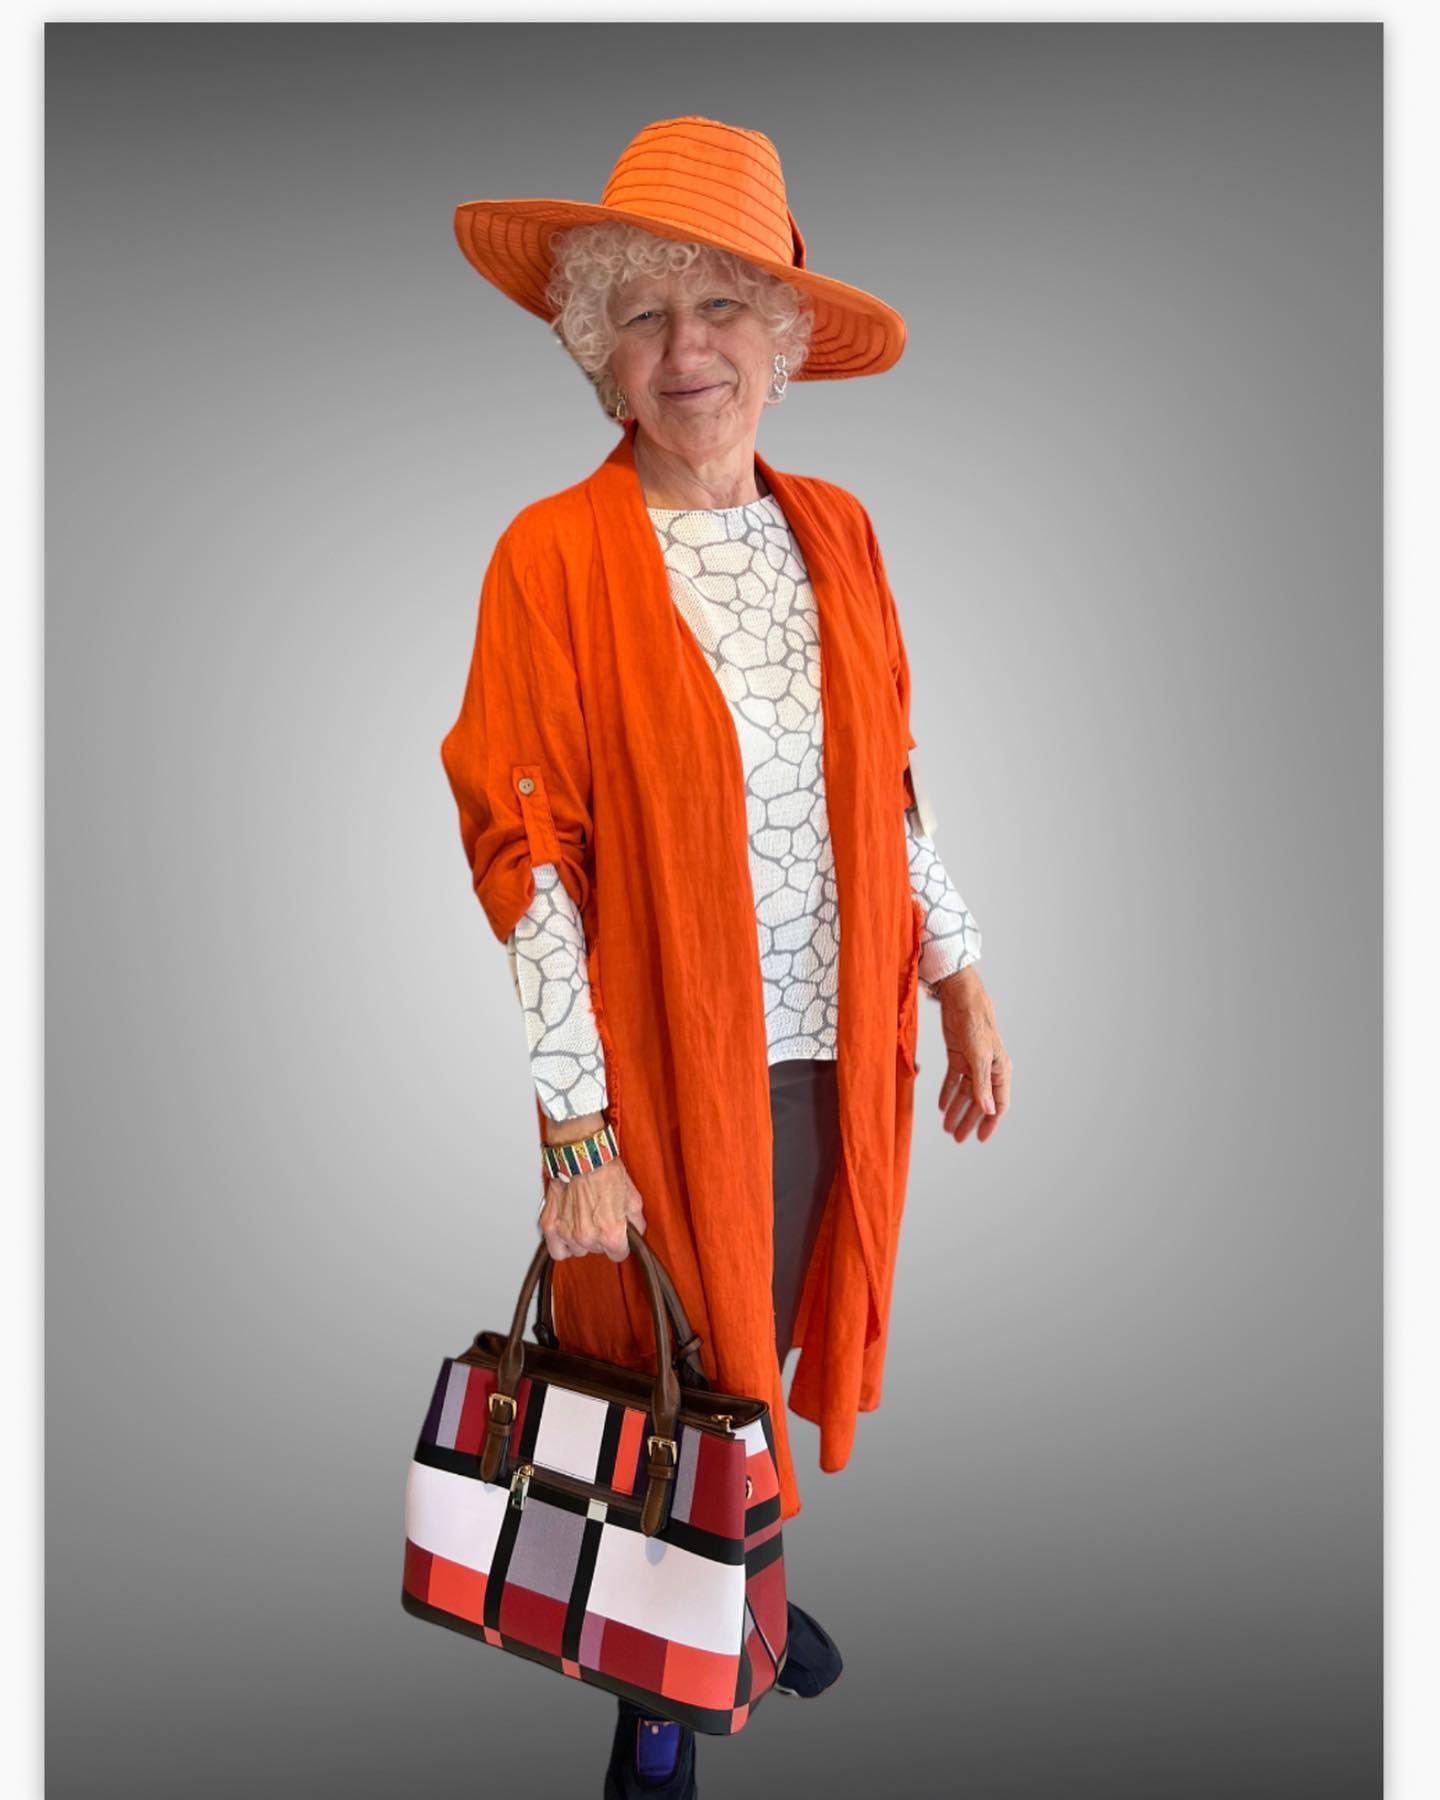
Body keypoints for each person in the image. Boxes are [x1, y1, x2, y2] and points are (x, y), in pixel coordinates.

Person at [439, 114, 1012, 1798]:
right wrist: (574, 1124)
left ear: (782, 342)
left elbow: (890, 788)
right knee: (668, 1370)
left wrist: (960, 969)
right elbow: (525, 856)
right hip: (666, 1056)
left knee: (761, 1337)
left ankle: (749, 1590)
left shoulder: (837, 532)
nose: (687, 352)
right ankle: (660, 1698)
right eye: (644, 314)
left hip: (837, 1040)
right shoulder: (553, 555)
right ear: (598, 352)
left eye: (721, 312)